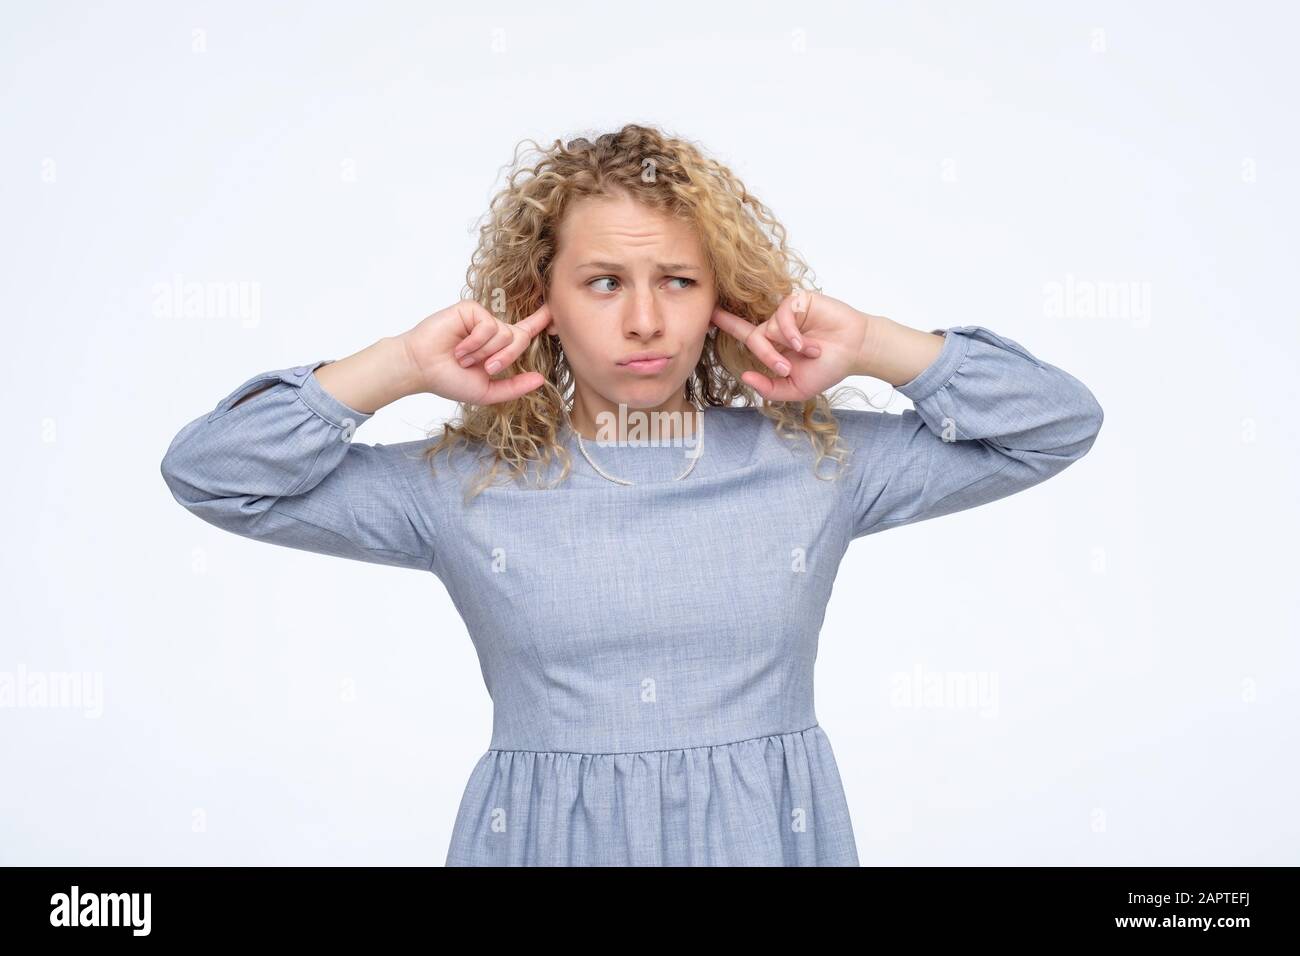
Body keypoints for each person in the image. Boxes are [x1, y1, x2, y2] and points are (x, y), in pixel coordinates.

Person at [160, 123, 1104, 866]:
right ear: (544, 298)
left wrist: (871, 342)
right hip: (542, 843)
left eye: (679, 281)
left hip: (765, 838)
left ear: (719, 298)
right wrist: (401, 365)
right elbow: (213, 474)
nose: (645, 321)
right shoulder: (460, 488)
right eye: (604, 282)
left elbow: (1052, 425)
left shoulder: (816, 463)